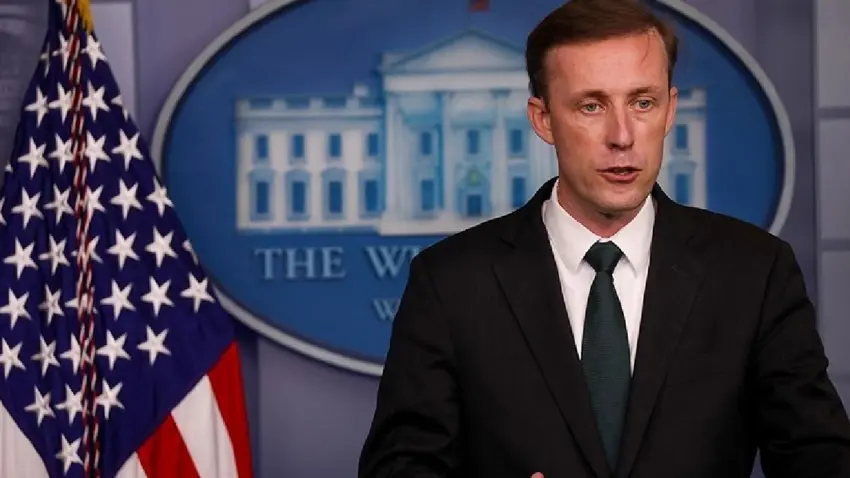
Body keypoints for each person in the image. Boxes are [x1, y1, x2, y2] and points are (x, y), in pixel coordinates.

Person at [357, 0, 850, 476]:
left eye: (642, 102)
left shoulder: (754, 272)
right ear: (543, 119)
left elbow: (819, 458)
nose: (622, 135)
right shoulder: (450, 283)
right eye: (591, 106)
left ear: (670, 110)